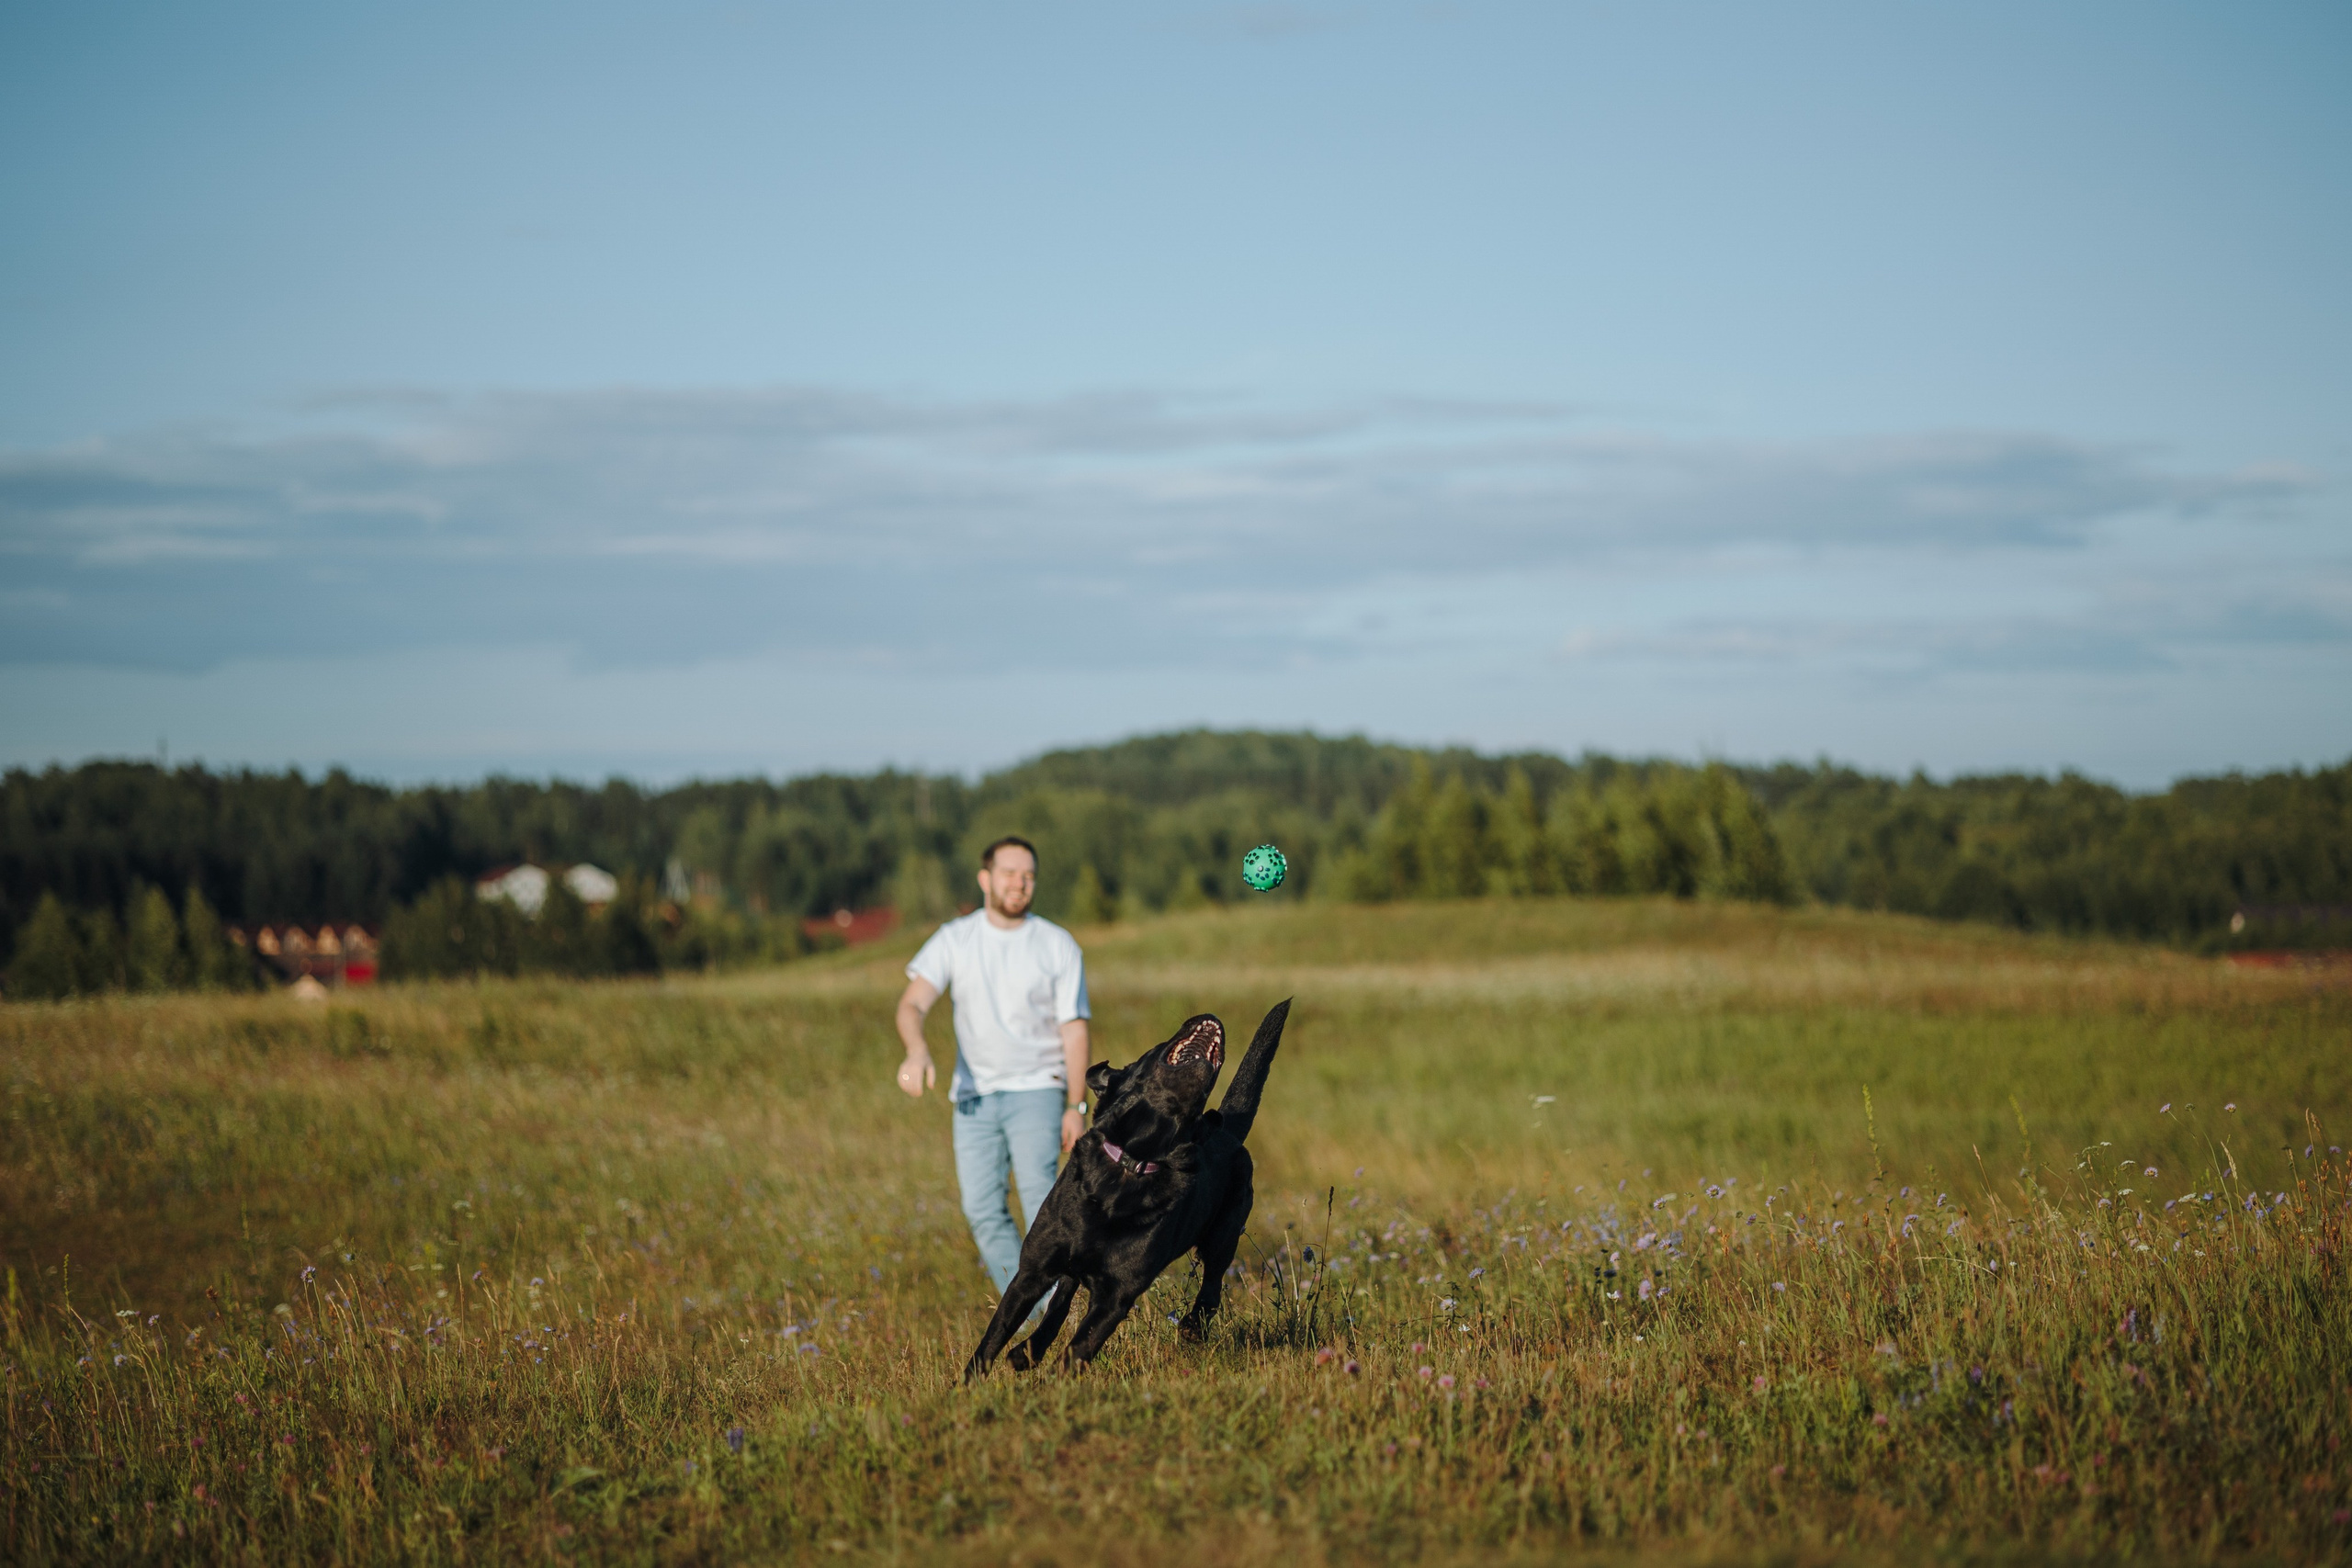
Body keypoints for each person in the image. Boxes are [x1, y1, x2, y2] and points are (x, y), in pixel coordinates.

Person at [894, 836, 1091, 1295]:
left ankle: (1061, 1319)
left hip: (1037, 1091)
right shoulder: (954, 939)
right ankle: (1032, 1316)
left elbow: (1075, 1030)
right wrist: (916, 1049)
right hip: (972, 1098)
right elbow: (912, 1006)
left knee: (1043, 1210)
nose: (1019, 884)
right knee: (983, 1211)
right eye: (1009, 873)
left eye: (1028, 875)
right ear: (986, 878)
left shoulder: (1057, 944)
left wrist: (1075, 1107)